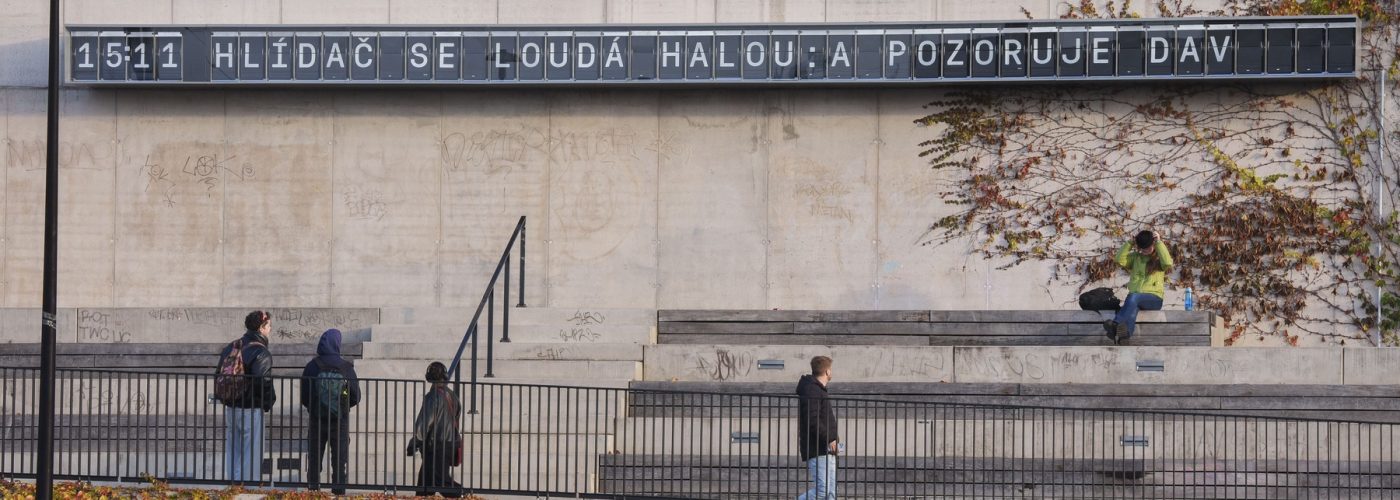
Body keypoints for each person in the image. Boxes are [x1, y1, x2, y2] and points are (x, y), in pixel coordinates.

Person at [300, 328, 361, 494]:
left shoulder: (312, 366)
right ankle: (338, 492)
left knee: (314, 459)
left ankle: (313, 491)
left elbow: (304, 396)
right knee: (339, 460)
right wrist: (343, 405)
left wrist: (314, 407)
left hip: (317, 420)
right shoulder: (346, 367)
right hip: (339, 421)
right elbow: (356, 396)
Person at [217, 310, 276, 483]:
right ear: (261, 327)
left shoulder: (232, 347)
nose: (270, 329)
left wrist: (225, 398)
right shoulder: (261, 352)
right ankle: (248, 486)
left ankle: (233, 485)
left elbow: (218, 373)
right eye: (269, 326)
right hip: (251, 407)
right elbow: (263, 381)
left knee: (233, 449)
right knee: (252, 451)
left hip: (231, 406)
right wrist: (268, 402)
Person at [1104, 230, 1174, 345]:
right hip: (1135, 299)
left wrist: (1159, 243)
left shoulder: (1159, 258)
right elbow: (1119, 260)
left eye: (1148, 248)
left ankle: (1115, 324)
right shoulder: (1136, 257)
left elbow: (1167, 263)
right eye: (1142, 249)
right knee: (1132, 309)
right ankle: (1125, 336)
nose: (1145, 251)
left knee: (1133, 297)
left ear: (1153, 244)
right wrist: (1130, 243)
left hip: (1154, 299)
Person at [407, 362, 462, 497]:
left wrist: (415, 441)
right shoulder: (452, 395)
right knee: (425, 483)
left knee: (440, 481)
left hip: (437, 445)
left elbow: (425, 421)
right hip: (450, 443)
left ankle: (464, 495)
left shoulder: (432, 396)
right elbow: (456, 417)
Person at [796, 356, 839, 500]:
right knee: (823, 491)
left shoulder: (819, 390)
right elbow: (812, 421)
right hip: (818, 448)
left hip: (827, 448)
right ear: (827, 371)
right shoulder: (812, 390)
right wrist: (829, 438)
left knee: (831, 493)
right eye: (830, 369)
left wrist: (833, 440)